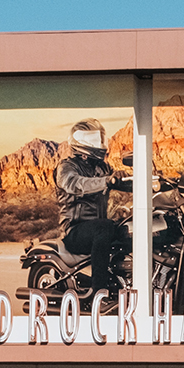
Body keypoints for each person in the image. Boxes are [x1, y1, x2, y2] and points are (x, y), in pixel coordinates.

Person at [55, 118, 129, 297]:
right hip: (74, 231)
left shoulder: (102, 167)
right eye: (94, 139)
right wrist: (107, 181)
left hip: (97, 228)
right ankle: (99, 293)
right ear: (81, 142)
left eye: (100, 139)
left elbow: (117, 180)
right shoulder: (67, 167)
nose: (99, 144)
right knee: (104, 227)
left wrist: (144, 181)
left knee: (128, 228)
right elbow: (75, 183)